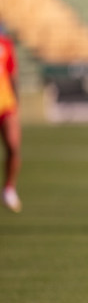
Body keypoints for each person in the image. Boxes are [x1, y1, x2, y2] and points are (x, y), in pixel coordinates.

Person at [0, 22, 21, 213]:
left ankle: (9, 188)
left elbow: (12, 74)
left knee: (13, 146)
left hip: (5, 104)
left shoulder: (5, 44)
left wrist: (16, 102)